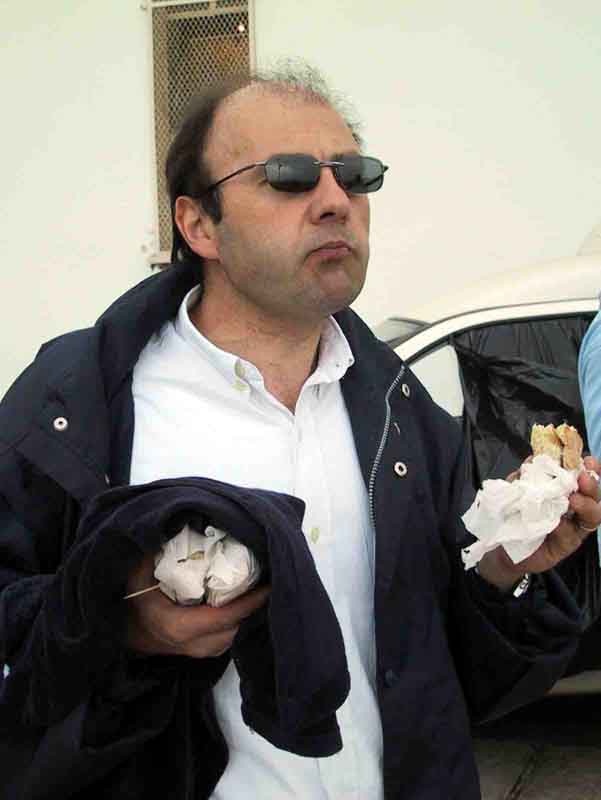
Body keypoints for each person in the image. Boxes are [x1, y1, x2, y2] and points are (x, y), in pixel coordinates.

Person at [1, 66, 600, 800]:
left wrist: (507, 569)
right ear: (198, 225)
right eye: (288, 177)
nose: (335, 201)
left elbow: (464, 682)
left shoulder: (402, 415)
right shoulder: (78, 406)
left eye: (355, 175)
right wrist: (118, 622)